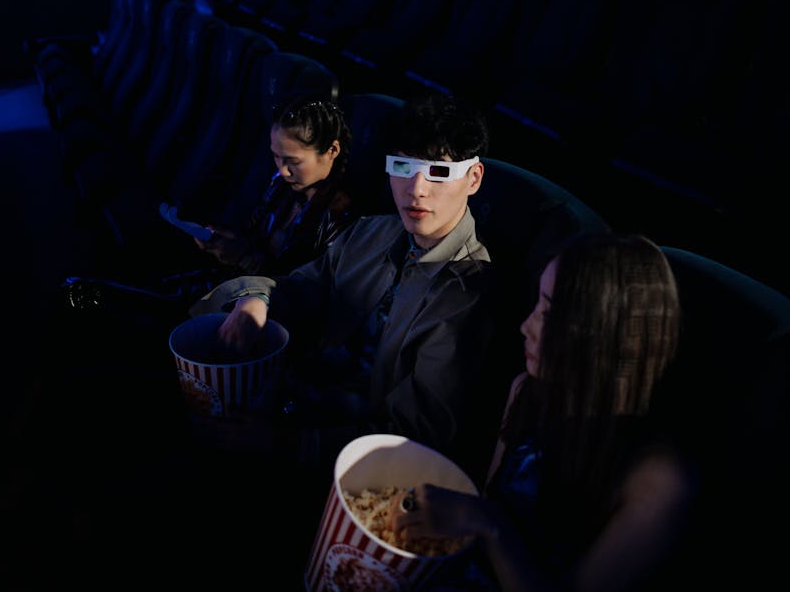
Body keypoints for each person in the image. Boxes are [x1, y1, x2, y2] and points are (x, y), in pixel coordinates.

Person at [188, 92, 501, 484]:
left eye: (438, 173)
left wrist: (285, 445)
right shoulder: (373, 231)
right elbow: (301, 285)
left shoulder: (466, 294)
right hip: (288, 399)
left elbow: (414, 435)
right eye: (402, 166)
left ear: (473, 179)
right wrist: (256, 299)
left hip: (342, 461)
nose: (416, 189)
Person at [386, 233, 699, 591]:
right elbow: (486, 510)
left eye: (549, 313)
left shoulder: (659, 480)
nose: (527, 327)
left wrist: (490, 525)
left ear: (605, 334)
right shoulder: (526, 391)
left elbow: (489, 520)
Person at [61, 94, 357, 313]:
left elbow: (300, 295)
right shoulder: (282, 185)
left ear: (331, 150)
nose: (281, 169)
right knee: (88, 294)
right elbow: (252, 236)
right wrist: (224, 241)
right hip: (227, 283)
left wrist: (244, 258)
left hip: (252, 310)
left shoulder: (338, 215)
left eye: (292, 161)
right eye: (276, 157)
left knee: (119, 308)